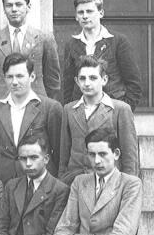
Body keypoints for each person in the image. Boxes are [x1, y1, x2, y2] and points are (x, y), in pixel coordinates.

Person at [59, 56, 138, 185]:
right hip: (75, 184)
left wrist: (127, 188)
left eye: (93, 78)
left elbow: (130, 157)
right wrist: (62, 182)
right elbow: (63, 156)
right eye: (82, 78)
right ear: (77, 81)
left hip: (108, 184)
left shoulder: (120, 109)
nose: (87, 83)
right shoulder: (69, 110)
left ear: (104, 79)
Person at [0, 52, 62, 184]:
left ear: (32, 76)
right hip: (6, 180)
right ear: (4, 78)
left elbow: (58, 152)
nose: (14, 82)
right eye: (10, 77)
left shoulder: (50, 108)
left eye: (20, 76)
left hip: (39, 181)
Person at [61, 0, 141, 110]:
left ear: (101, 13)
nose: (85, 16)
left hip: (112, 111)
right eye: (80, 12)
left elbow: (134, 84)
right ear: (76, 17)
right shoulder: (72, 44)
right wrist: (71, 112)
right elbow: (67, 85)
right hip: (81, 113)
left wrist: (123, 111)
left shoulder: (118, 41)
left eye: (89, 11)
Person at [0, 0, 61, 101]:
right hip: (3, 104)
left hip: (36, 104)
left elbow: (53, 79)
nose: (14, 9)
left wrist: (44, 103)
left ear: (28, 7)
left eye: (19, 5)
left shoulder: (44, 39)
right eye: (9, 5)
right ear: (3, 9)